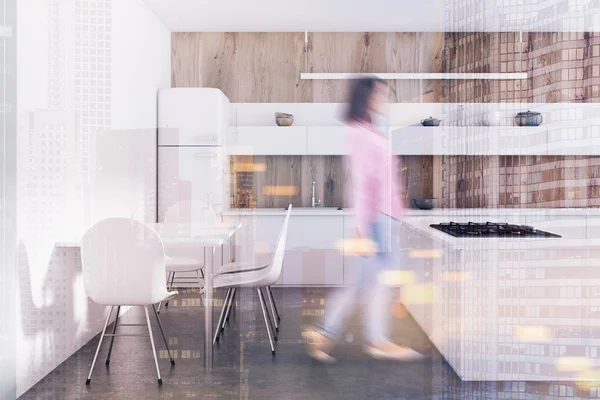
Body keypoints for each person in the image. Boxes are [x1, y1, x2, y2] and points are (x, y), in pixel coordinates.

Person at [307, 76, 422, 362]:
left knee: (364, 282)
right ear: (365, 97)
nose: (383, 99)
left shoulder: (370, 131)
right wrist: (361, 228)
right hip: (378, 220)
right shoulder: (360, 134)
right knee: (377, 282)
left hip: (384, 218)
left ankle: (324, 333)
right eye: (379, 94)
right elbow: (360, 183)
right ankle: (376, 340)